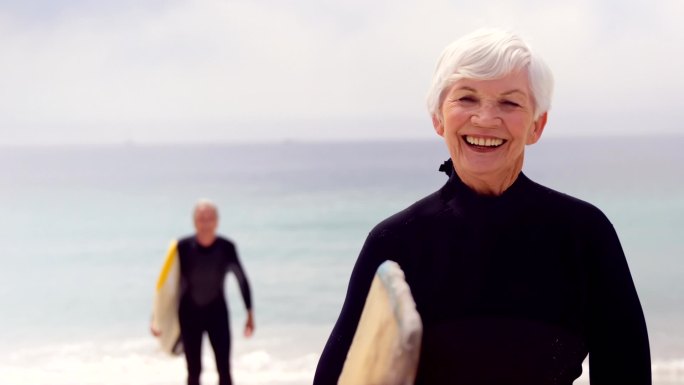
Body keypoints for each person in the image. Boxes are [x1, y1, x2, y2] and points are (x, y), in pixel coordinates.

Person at [314, 29, 651, 385]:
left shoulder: (584, 235)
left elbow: (627, 372)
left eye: (510, 103)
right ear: (438, 118)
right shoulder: (395, 243)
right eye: (466, 98)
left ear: (537, 125)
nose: (486, 119)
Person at [154, 199, 254, 385]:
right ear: (194, 221)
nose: (206, 222)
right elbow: (166, 286)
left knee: (224, 369)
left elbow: (241, 279)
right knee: (194, 371)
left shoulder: (226, 247)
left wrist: (249, 312)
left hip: (217, 315)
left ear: (217, 221)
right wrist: (156, 318)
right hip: (189, 315)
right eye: (201, 218)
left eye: (210, 218)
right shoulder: (182, 247)